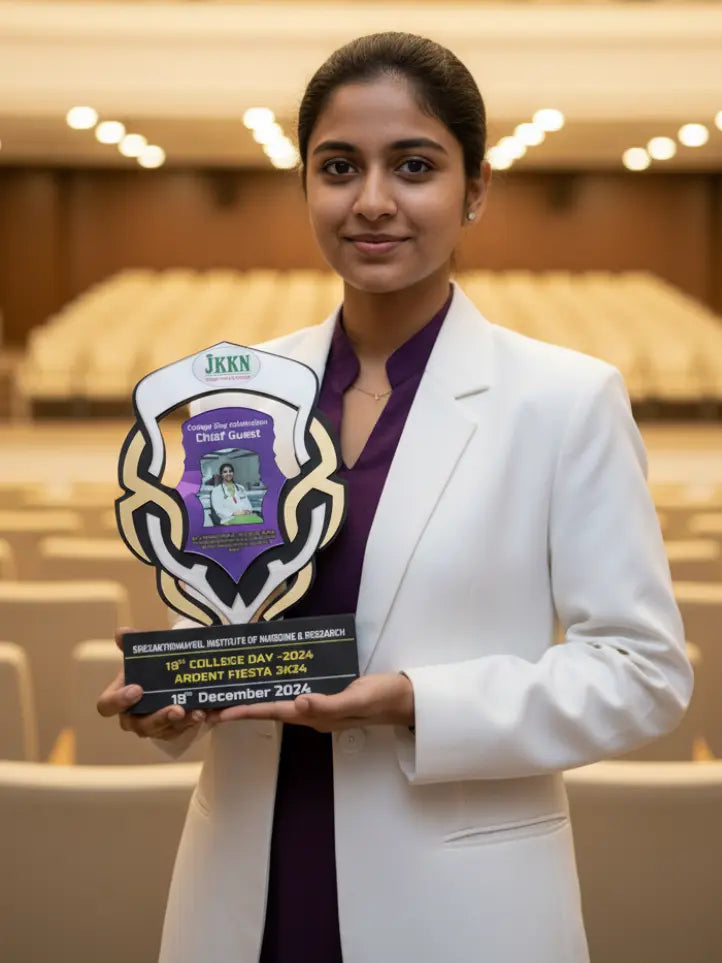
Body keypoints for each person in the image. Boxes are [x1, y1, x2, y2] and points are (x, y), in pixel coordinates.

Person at [98, 31, 692, 963]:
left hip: (457, 900)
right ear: (305, 185)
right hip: (246, 881)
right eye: (339, 167)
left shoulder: (564, 400)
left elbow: (644, 671)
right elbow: (234, 602)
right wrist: (180, 684)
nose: (372, 201)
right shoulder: (238, 393)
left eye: (413, 165)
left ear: (476, 189)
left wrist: (415, 700)